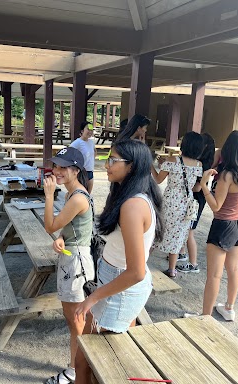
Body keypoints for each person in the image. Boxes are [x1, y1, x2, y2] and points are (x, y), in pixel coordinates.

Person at [74, 139, 164, 384]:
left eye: (113, 160)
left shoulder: (133, 205)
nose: (107, 165)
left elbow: (136, 272)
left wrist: (93, 297)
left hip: (120, 286)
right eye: (108, 159)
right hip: (115, 281)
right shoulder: (130, 195)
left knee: (90, 363)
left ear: (132, 167)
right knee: (108, 361)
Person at [43, 147, 95, 384]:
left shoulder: (77, 198)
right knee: (75, 319)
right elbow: (71, 229)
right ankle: (76, 368)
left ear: (76, 170)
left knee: (76, 321)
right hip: (72, 256)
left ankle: (77, 371)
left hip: (76, 264)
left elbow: (50, 226)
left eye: (64, 167)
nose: (57, 171)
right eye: (56, 166)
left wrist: (49, 195)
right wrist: (64, 237)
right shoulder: (73, 194)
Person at [200, 130, 238, 321]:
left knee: (214, 275)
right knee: (233, 269)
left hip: (223, 225)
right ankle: (229, 308)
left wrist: (204, 185)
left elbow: (216, 207)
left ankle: (205, 316)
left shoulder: (227, 176)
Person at [152, 132, 203, 278]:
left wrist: (151, 165)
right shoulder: (199, 165)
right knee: (178, 235)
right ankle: (172, 269)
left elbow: (157, 180)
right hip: (186, 204)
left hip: (170, 201)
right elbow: (197, 188)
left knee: (158, 231)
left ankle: (143, 261)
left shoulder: (172, 160)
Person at [179, 133, 216, 274]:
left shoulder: (203, 165)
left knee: (190, 231)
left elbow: (198, 187)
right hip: (193, 198)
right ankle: (181, 253)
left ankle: (193, 264)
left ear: (204, 146)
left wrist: (182, 184)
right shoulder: (200, 161)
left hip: (196, 199)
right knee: (184, 228)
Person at [70, 122, 96, 193]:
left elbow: (94, 151)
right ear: (82, 131)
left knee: (88, 194)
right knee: (79, 193)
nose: (90, 131)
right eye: (88, 129)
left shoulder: (91, 142)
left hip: (90, 171)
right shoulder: (77, 142)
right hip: (81, 172)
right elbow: (69, 152)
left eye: (91, 130)